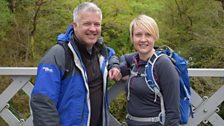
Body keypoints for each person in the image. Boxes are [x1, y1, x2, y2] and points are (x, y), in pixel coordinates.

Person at [30, 2, 121, 126]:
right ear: (75, 26)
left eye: (97, 24)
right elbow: (42, 102)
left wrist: (114, 65)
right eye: (87, 24)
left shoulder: (100, 51)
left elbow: (112, 55)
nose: (93, 29)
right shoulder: (58, 55)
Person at [119, 15, 180, 126]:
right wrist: (122, 69)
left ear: (155, 37)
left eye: (148, 34)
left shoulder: (163, 64)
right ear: (132, 37)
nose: (143, 39)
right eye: (138, 35)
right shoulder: (135, 59)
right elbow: (122, 58)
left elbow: (173, 112)